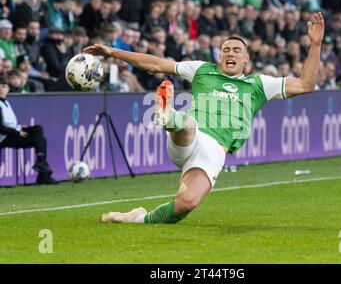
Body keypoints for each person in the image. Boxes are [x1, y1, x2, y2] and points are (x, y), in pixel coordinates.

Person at [84, 12, 325, 224]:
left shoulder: (259, 84)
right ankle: (168, 116)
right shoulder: (203, 69)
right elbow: (156, 64)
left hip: (214, 152)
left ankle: (137, 218)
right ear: (220, 56)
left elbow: (306, 85)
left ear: (246, 59)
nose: (230, 53)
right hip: (189, 136)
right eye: (226, 50)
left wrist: (315, 45)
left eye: (237, 50)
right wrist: (112, 52)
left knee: (186, 203)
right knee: (188, 124)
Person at [0, 75, 57, 184]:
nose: (2, 89)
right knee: (40, 140)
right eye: (1, 86)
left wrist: (20, 127)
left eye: (4, 86)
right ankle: (42, 172)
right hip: (5, 138)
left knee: (38, 130)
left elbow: (11, 124)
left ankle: (41, 163)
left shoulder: (6, 102)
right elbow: (1, 128)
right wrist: (18, 132)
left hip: (13, 133)